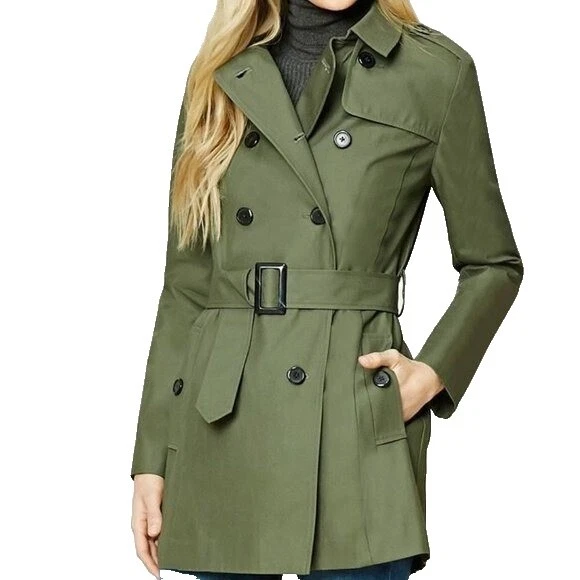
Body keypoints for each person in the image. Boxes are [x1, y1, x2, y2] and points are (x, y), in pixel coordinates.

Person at [129, 1, 524, 579]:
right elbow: (187, 289)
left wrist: (431, 373)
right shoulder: (219, 72)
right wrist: (152, 458)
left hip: (353, 414)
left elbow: (494, 264)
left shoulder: (436, 72)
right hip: (223, 423)